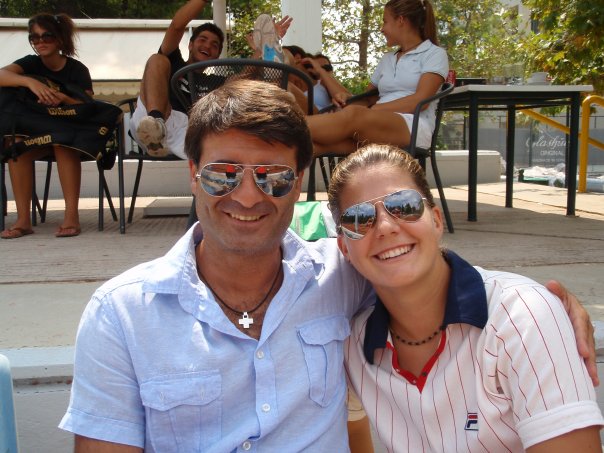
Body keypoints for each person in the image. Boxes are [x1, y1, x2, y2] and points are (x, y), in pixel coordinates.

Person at [59, 79, 598, 451]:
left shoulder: (338, 277)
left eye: (272, 177)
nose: (246, 196)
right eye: (223, 173)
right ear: (193, 174)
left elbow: (413, 263)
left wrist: (537, 308)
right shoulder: (122, 315)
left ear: (298, 183)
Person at [327, 143, 604, 452]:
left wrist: (545, 308)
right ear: (344, 248)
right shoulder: (352, 344)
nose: (385, 227)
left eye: (404, 206)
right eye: (359, 218)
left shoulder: (522, 319)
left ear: (436, 220)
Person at [306, 0, 447, 156]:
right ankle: (290, 145)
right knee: (314, 145)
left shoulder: (434, 54)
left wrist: (374, 110)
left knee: (354, 115)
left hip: (413, 126)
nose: (382, 29)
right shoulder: (388, 59)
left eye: (385, 22)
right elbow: (367, 100)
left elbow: (420, 101)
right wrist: (347, 98)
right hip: (375, 123)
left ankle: (288, 126)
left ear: (401, 20)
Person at [0, 13, 92, 239]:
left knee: (63, 143)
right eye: (34, 38)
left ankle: (71, 217)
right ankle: (23, 220)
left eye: (47, 36)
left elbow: (89, 108)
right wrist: (30, 82)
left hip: (71, 135)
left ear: (60, 39)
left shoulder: (77, 70)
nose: (40, 41)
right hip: (38, 134)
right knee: (16, 146)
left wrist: (63, 98)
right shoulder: (30, 63)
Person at [130, 0, 223, 159]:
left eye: (214, 45)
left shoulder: (216, 82)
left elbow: (245, 76)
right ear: (190, 45)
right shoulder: (174, 62)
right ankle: (156, 126)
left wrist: (263, 47)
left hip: (186, 133)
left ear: (217, 56)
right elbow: (177, 26)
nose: (207, 46)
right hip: (153, 121)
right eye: (202, 40)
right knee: (157, 59)